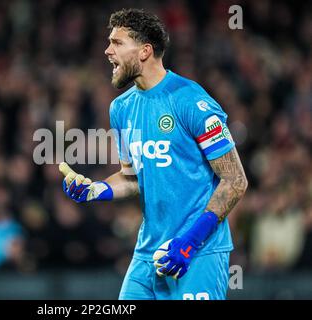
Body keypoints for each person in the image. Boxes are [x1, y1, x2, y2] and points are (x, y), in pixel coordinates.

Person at [59, 8, 248, 300]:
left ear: (145, 51)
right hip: (148, 254)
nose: (107, 51)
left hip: (199, 253)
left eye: (117, 43)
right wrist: (95, 189)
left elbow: (235, 180)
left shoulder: (190, 100)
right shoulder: (120, 108)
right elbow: (132, 178)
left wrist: (190, 242)